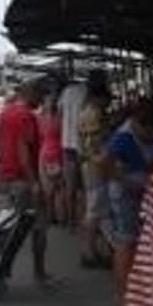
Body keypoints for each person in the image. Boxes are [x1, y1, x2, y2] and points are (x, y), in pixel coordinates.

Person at [96, 101, 153, 296]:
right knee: (126, 240)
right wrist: (124, 180)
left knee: (135, 239)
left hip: (143, 191)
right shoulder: (123, 138)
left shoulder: (152, 133)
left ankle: (136, 286)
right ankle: (125, 291)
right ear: (138, 124)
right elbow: (101, 164)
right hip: (125, 195)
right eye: (150, 132)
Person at [0, 78, 55, 287]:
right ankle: (39, 272)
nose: (42, 100)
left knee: (5, 226)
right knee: (38, 225)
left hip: (3, 176)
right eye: (41, 96)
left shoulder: (5, 113)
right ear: (31, 94)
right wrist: (35, 182)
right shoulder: (26, 116)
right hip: (21, 179)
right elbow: (23, 151)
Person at [78, 83, 113, 269]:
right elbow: (94, 144)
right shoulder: (94, 114)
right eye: (106, 100)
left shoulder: (86, 111)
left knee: (98, 209)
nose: (108, 104)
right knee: (94, 209)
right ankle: (88, 253)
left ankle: (96, 250)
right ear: (99, 98)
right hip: (94, 166)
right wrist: (102, 161)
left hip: (90, 164)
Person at [58, 77, 88, 229]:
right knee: (83, 187)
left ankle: (70, 220)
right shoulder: (86, 92)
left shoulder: (65, 92)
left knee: (69, 186)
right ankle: (83, 220)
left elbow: (59, 114)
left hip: (66, 145)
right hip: (82, 147)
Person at [37, 92, 65, 225]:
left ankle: (51, 215)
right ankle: (60, 216)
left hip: (44, 153)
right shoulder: (60, 119)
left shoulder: (40, 118)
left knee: (48, 189)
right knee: (59, 187)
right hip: (57, 153)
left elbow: (38, 137)